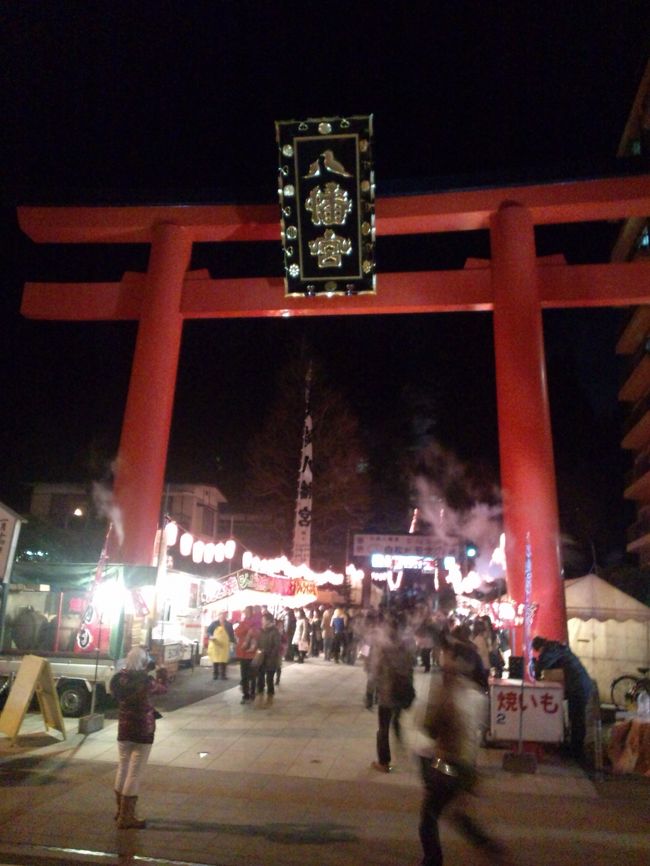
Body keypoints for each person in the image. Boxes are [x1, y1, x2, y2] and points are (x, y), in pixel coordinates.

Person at [416, 633, 508, 866]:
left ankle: (433, 860)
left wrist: (436, 700)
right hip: (467, 766)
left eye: (448, 657)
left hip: (448, 765)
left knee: (429, 816)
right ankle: (489, 846)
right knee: (456, 813)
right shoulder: (478, 697)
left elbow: (430, 728)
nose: (442, 659)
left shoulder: (451, 695)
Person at [109, 646, 168, 830]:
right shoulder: (146, 681)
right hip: (143, 730)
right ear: (143, 662)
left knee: (123, 767)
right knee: (134, 773)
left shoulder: (118, 679)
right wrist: (162, 671)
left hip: (124, 729)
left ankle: (120, 811)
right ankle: (127, 818)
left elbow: (115, 695)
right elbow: (163, 689)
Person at [531, 635, 593, 761]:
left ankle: (577, 753)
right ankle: (575, 749)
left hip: (578, 686)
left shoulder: (550, 651)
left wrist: (535, 662)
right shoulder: (558, 648)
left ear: (540, 647)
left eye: (538, 651)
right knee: (576, 718)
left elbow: (540, 668)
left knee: (576, 719)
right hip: (581, 683)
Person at [370, 614, 415, 772]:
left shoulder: (384, 648)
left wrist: (370, 692)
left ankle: (384, 762)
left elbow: (375, 671)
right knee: (396, 720)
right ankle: (400, 741)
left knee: (383, 728)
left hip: (387, 693)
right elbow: (410, 668)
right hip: (401, 691)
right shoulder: (406, 647)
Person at [255, 612, 282, 706]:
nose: (262, 622)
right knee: (260, 678)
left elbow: (277, 646)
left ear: (268, 621)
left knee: (269, 679)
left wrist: (269, 654)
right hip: (261, 658)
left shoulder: (275, 632)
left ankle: (270, 697)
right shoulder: (262, 631)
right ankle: (260, 696)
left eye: (263, 620)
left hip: (271, 659)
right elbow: (259, 643)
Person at [234, 606, 259, 703]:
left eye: (248, 611)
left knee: (252, 675)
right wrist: (247, 629)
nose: (247, 613)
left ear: (252, 612)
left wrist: (249, 631)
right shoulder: (243, 622)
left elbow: (257, 635)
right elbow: (237, 632)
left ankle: (252, 693)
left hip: (252, 654)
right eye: (246, 612)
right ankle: (245, 694)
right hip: (243, 653)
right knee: (244, 675)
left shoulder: (256, 623)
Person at [207, 612, 230, 680]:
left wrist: (233, 642)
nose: (223, 617)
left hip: (224, 645)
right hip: (215, 644)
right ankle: (215, 674)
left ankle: (223, 675)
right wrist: (210, 636)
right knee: (215, 660)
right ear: (219, 616)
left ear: (226, 616)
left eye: (224, 616)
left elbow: (231, 634)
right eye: (221, 615)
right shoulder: (214, 624)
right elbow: (208, 631)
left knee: (224, 660)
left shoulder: (228, 624)